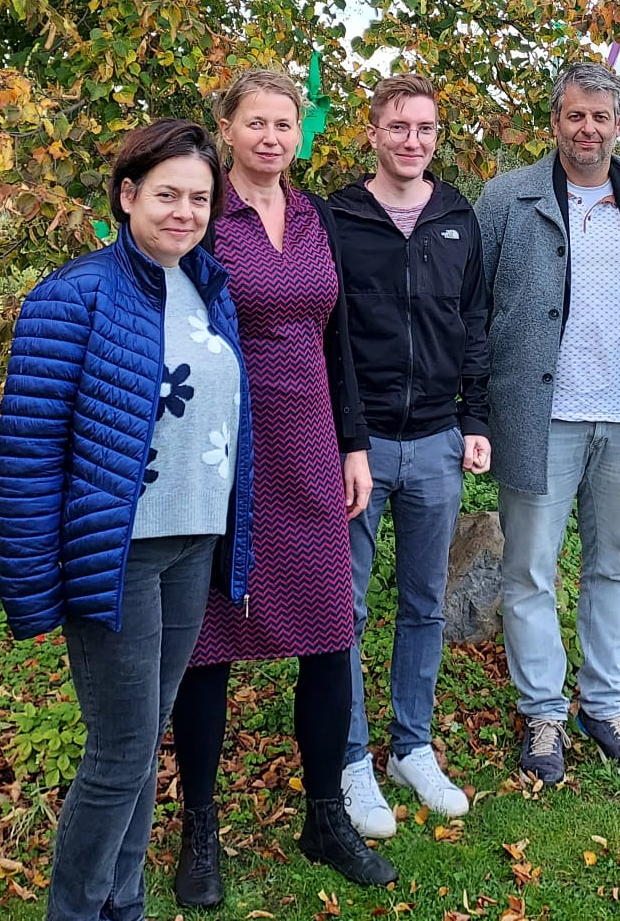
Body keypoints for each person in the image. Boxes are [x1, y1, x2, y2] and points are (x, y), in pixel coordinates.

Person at [0, 119, 249, 921]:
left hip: (190, 540)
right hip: (118, 554)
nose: (184, 211)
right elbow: (31, 450)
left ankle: (123, 903)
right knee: (118, 752)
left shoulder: (208, 286)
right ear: (127, 195)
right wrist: (32, 580)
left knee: (145, 741)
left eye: (199, 198)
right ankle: (77, 909)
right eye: (167, 194)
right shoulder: (74, 295)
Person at [168, 67, 395, 906]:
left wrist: (354, 443)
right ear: (225, 128)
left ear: (301, 134)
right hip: (223, 451)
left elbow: (339, 343)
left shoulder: (316, 216)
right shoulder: (202, 217)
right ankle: (200, 829)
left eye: (285, 125)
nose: (271, 138)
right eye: (256, 123)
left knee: (331, 634)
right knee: (210, 644)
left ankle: (325, 816)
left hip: (309, 447)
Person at [474, 60, 620, 785]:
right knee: (530, 568)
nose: (587, 129)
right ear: (555, 121)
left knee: (614, 567)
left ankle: (604, 702)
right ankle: (542, 712)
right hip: (541, 417)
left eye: (601, 117)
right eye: (574, 115)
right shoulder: (508, 198)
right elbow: (476, 302)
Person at [326, 73, 492, 838]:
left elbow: (475, 323)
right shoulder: (339, 217)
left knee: (424, 602)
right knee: (349, 608)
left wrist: (476, 420)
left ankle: (411, 746)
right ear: (373, 133)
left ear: (436, 135)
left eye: (425, 128)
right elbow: (333, 340)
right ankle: (351, 758)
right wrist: (349, 438)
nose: (412, 141)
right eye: (398, 127)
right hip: (357, 451)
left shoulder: (459, 215)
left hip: (435, 441)